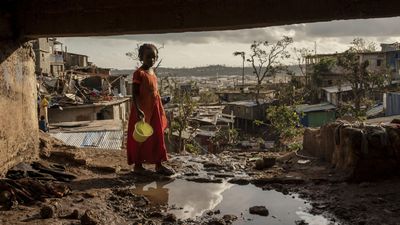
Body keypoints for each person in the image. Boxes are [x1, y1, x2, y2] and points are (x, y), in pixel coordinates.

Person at [127, 43, 174, 176]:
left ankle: (159, 165)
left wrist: (162, 101)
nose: (151, 60)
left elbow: (153, 92)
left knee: (157, 136)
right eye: (148, 57)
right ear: (141, 57)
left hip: (154, 110)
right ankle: (138, 165)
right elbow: (134, 94)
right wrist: (139, 110)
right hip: (142, 112)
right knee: (140, 139)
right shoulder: (139, 73)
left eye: (154, 57)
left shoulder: (152, 72)